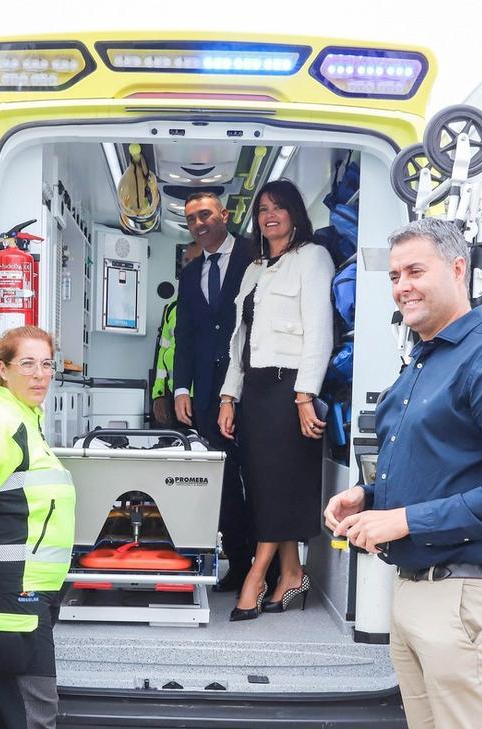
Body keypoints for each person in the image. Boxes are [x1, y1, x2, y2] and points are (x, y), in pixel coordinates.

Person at [323, 217, 482, 729]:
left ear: (457, 269)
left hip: (466, 600)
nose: (402, 286)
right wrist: (368, 495)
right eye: (394, 276)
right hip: (416, 594)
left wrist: (404, 521)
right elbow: (439, 466)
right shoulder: (423, 363)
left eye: (414, 271)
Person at [218, 179, 335, 620]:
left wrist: (305, 396)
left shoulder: (313, 258)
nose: (269, 215)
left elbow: (319, 332)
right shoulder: (253, 269)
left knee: (276, 485)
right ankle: (292, 573)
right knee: (266, 486)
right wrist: (229, 396)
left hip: (290, 389)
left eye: (278, 207)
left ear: (293, 213)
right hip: (257, 391)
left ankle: (256, 575)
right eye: (263, 209)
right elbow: (239, 343)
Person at [0, 325, 76, 729]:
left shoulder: (27, 423)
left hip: (28, 593)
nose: (39, 374)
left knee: (17, 713)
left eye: (46, 364)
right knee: (34, 717)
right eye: (27, 363)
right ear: (3, 370)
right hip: (12, 593)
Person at [172, 192, 256, 592]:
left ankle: (268, 565)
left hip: (253, 390)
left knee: (257, 479)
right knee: (220, 483)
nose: (199, 224)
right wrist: (180, 389)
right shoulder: (189, 275)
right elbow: (184, 336)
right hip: (206, 394)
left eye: (205, 215)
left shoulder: (255, 255)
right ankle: (238, 564)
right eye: (191, 220)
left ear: (224, 215)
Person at [150, 241, 202, 427]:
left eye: (195, 260)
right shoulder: (172, 309)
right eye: (186, 261)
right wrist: (159, 394)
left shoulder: (220, 306)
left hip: (208, 398)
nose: (189, 266)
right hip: (177, 396)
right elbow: (162, 355)